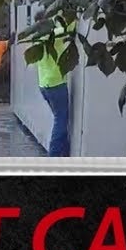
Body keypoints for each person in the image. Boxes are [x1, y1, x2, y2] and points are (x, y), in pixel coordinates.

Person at [34, 16, 77, 157]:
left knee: (60, 119)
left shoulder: (37, 38)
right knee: (61, 120)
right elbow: (70, 26)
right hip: (56, 84)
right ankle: (54, 156)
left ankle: (64, 152)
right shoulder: (53, 36)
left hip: (44, 85)